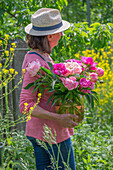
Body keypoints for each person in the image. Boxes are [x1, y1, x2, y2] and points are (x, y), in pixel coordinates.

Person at [19, 8, 83, 170]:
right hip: (51, 134)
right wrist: (58, 118)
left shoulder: (42, 56)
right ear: (50, 36)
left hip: (45, 131)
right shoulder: (35, 62)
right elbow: (25, 105)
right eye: (60, 32)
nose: (62, 35)